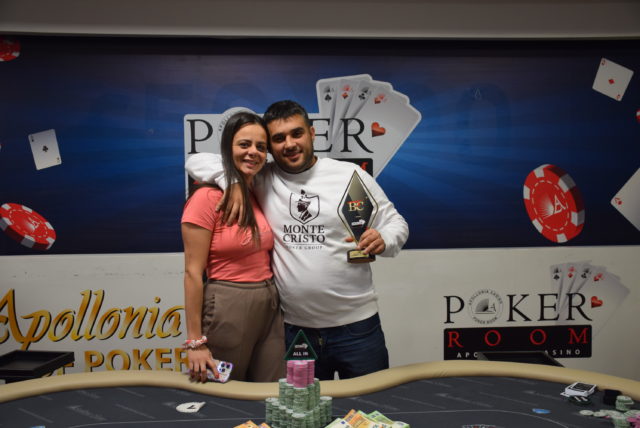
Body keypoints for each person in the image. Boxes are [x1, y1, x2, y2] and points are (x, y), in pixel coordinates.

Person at [186, 101, 409, 380]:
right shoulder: (263, 178)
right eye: (279, 138)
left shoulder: (347, 175)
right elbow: (196, 161)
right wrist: (229, 181)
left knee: (369, 404)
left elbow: (396, 223)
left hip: (357, 327)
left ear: (312, 134)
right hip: (296, 330)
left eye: (297, 133)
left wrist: (384, 238)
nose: (289, 144)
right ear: (270, 147)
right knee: (303, 406)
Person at [181, 111, 284, 382]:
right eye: (244, 144)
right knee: (224, 391)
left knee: (272, 389)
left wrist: (236, 182)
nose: (253, 152)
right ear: (228, 148)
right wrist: (195, 342)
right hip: (228, 303)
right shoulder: (206, 198)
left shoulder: (257, 191)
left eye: (261, 147)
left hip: (270, 303)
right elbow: (192, 273)